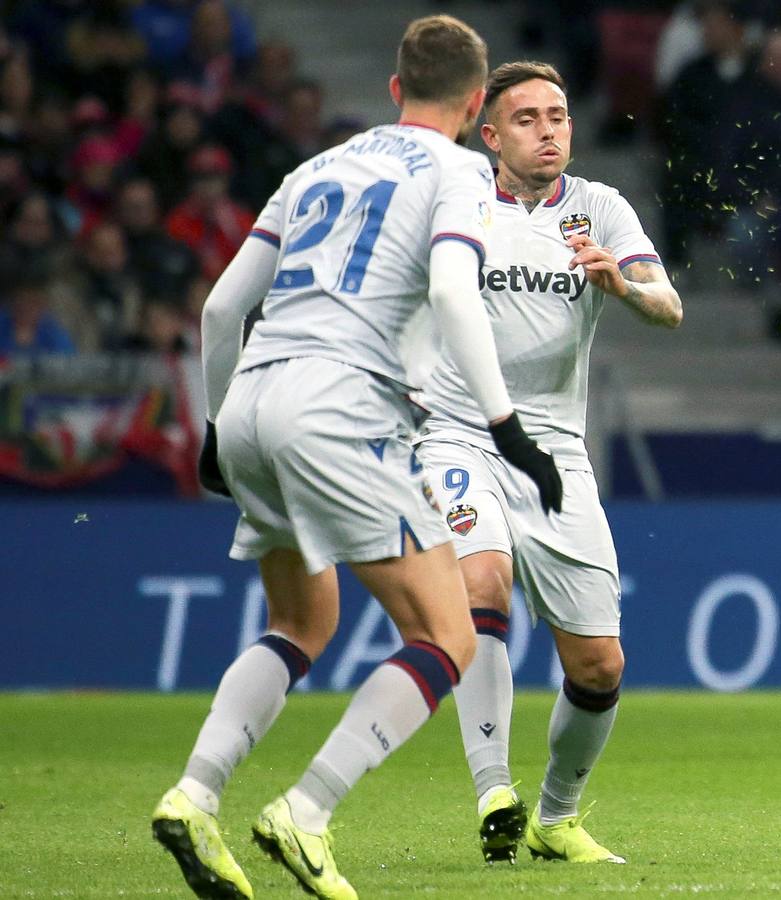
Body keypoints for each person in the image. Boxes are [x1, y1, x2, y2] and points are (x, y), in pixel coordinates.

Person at [149, 16, 563, 900]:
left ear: (393, 89)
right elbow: (453, 288)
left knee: (301, 623)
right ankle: (306, 811)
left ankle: (193, 795)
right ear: (474, 104)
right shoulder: (461, 172)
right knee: (446, 634)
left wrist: (219, 428)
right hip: (341, 408)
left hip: (254, 393)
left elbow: (221, 312)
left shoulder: (314, 168)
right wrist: (507, 427)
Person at [414, 60, 681, 867]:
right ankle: (495, 789)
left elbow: (667, 304)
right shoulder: (454, 205)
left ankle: (554, 818)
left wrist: (624, 285)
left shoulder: (600, 208)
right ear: (489, 136)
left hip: (556, 453)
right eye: (527, 119)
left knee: (599, 666)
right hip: (458, 433)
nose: (549, 131)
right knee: (482, 580)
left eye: (559, 116)